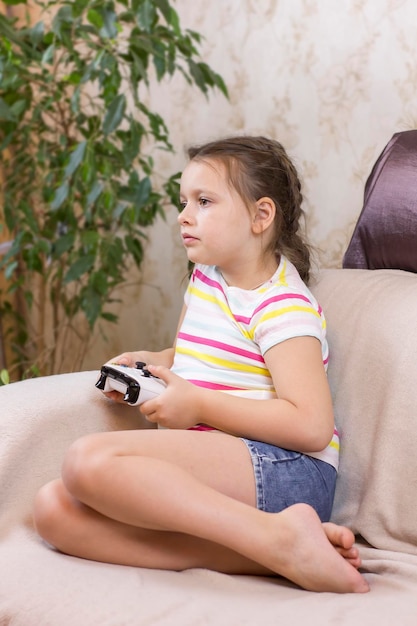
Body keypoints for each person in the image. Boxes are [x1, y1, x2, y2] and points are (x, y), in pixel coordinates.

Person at [33, 135, 369, 593]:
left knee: (86, 460)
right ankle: (279, 551)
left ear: (261, 215)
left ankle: (279, 535)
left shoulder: (283, 307)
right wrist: (157, 362)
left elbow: (311, 425)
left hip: (289, 470)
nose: (184, 216)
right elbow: (207, 356)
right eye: (183, 202)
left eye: (204, 201)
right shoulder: (208, 277)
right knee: (54, 511)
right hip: (233, 470)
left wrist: (198, 407)